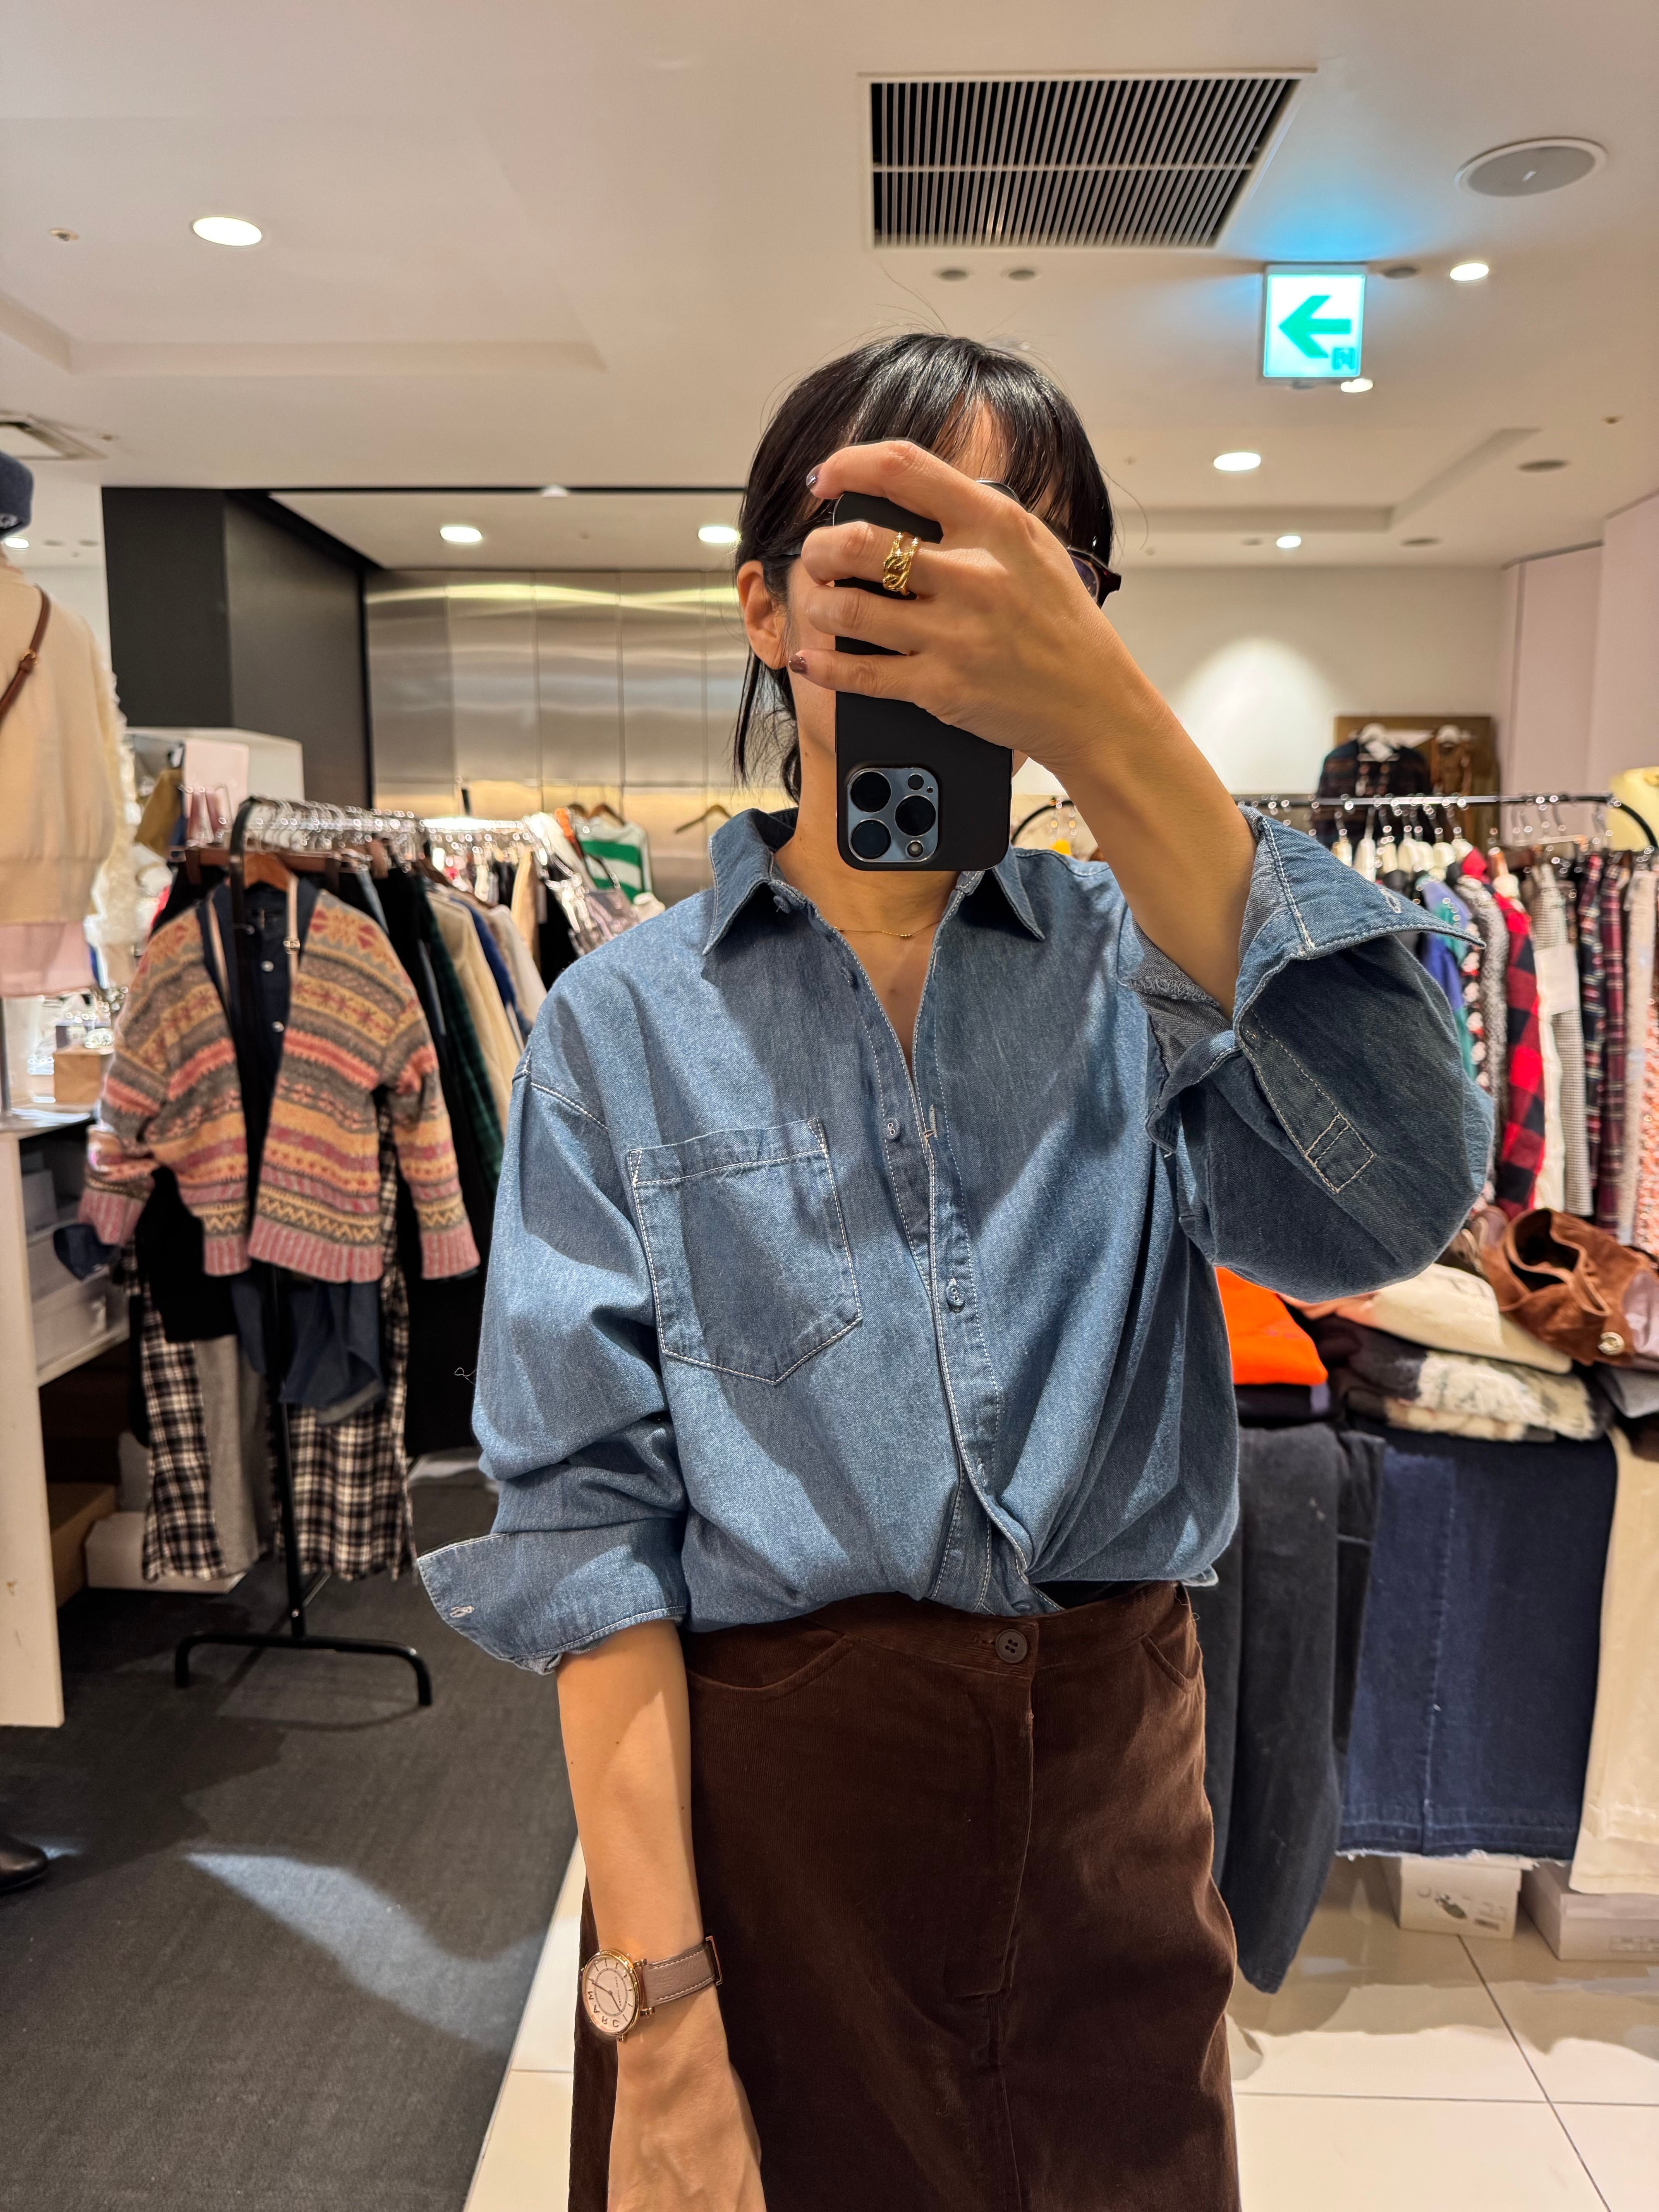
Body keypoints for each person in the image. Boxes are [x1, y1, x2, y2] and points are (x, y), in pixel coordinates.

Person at [420, 334, 1487, 2210]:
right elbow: (588, 1533)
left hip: (1109, 1815)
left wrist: (1113, 735)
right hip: (771, 1851)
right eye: (903, 552)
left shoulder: (1151, 970)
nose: (965, 614)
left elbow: (1391, 1201)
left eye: (1036, 565)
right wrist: (658, 2017)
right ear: (769, 606)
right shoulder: (621, 1026)